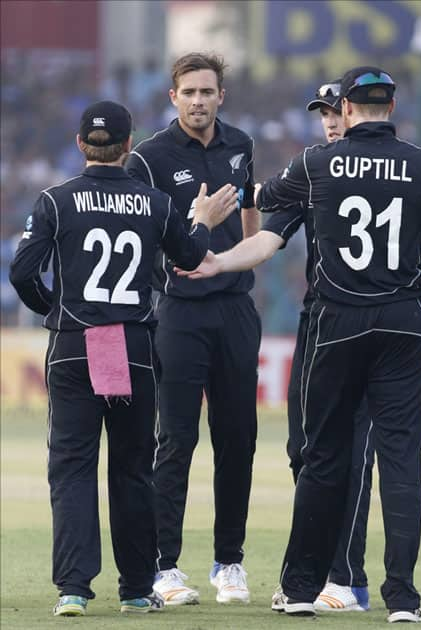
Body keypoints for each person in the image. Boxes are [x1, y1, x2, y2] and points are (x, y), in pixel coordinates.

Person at [176, 80, 421, 614]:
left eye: (334, 112)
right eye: (322, 115)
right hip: (322, 326)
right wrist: (218, 261)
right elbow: (269, 239)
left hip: (361, 324)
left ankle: (346, 581)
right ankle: (325, 576)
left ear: (353, 110)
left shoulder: (365, 171)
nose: (329, 122)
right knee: (309, 452)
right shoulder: (318, 175)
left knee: (356, 451)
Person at [9, 100, 238, 617]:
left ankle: (73, 588)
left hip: (75, 343)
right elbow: (189, 258)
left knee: (71, 466)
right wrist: (200, 221)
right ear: (129, 146)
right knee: (134, 468)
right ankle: (136, 588)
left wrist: (56, 311)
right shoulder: (155, 202)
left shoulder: (54, 200)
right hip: (130, 343)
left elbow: (23, 273)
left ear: (79, 145)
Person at [256, 66, 421, 623]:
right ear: (392, 107)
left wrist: (225, 201)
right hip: (402, 323)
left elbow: (265, 196)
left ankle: (302, 589)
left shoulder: (316, 163)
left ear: (346, 109)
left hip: (336, 321)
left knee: (323, 456)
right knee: (400, 462)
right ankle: (402, 599)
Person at [125, 52, 261, 605]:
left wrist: (247, 256)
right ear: (172, 97)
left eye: (208, 92)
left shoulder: (241, 146)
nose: (199, 101)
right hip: (179, 310)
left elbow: (251, 211)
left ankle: (229, 563)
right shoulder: (149, 159)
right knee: (176, 439)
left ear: (221, 96)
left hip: (234, 308)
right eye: (190, 92)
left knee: (239, 439)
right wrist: (196, 225)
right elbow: (143, 237)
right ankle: (165, 567)